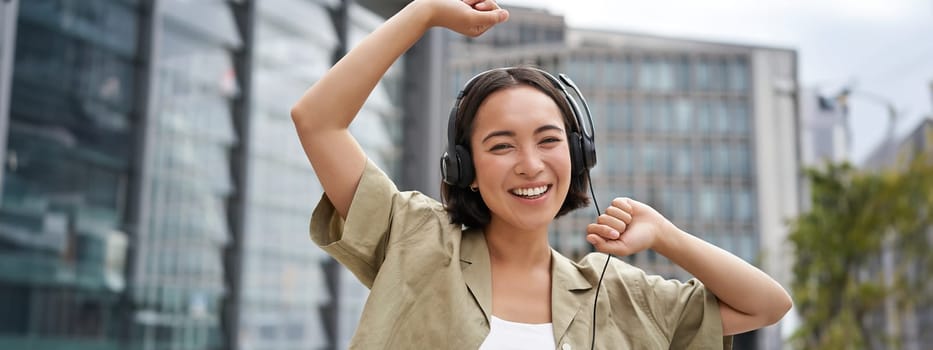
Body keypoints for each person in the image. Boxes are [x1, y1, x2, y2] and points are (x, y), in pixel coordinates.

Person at [290, 0, 793, 348]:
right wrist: (424, 12)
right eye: (501, 145)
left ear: (578, 154)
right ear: (463, 168)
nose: (530, 164)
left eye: (549, 140)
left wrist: (666, 236)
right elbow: (316, 121)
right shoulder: (414, 238)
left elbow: (767, 305)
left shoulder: (613, 293)